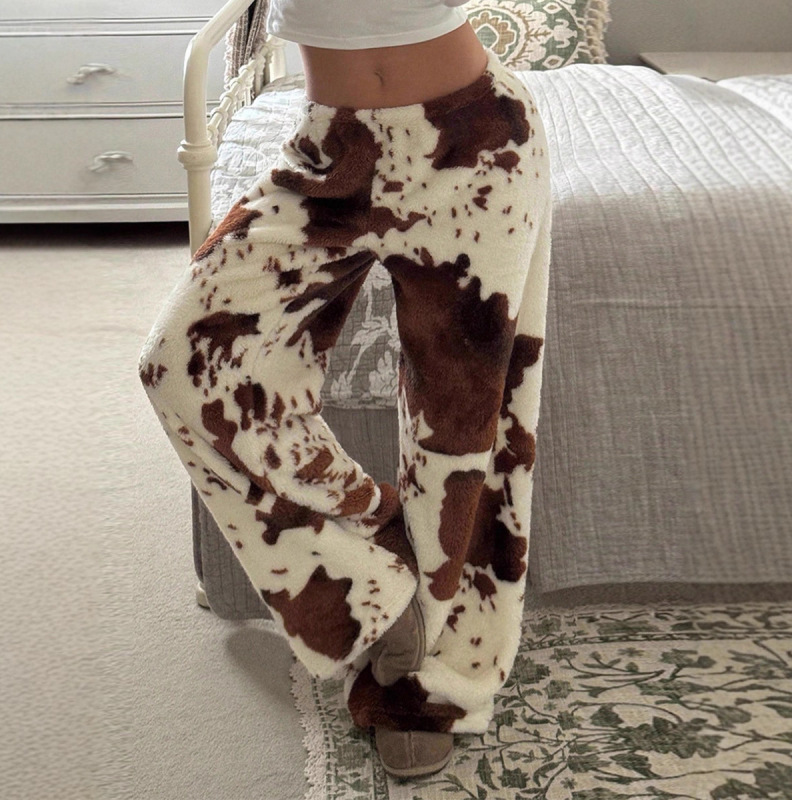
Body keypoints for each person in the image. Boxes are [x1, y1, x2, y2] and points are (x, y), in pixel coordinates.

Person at [138, 0, 552, 780]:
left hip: (477, 143)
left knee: (465, 428)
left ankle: (431, 686)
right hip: (331, 150)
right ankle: (375, 576)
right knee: (183, 363)